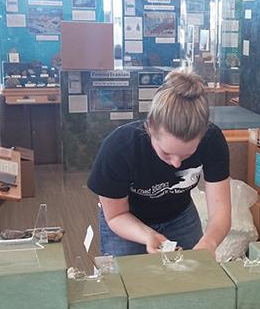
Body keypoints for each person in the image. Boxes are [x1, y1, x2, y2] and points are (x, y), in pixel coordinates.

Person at [88, 70, 231, 256]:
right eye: (167, 153)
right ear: (149, 128)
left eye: (188, 154)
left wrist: (209, 244)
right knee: (128, 281)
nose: (176, 164)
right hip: (127, 219)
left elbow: (221, 212)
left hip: (180, 215)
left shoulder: (212, 140)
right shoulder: (119, 148)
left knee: (191, 280)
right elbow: (116, 215)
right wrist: (148, 235)